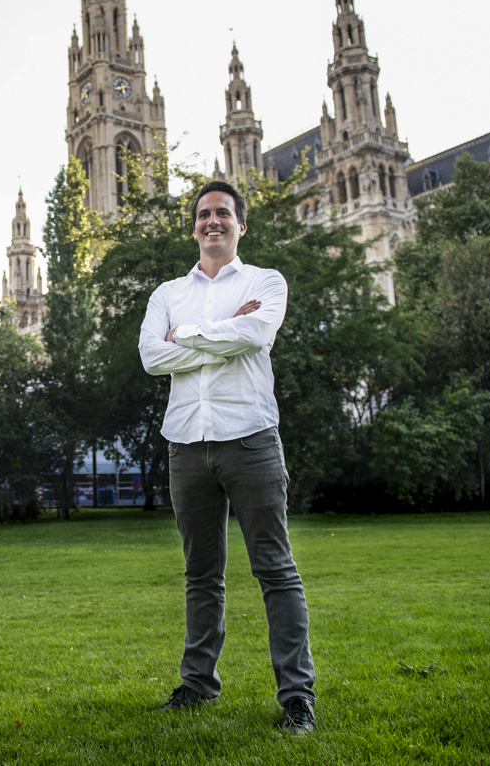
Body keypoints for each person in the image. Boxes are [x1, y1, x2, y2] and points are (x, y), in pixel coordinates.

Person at [137, 180, 316, 733]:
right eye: (203, 215)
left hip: (251, 440)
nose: (212, 222)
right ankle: (197, 685)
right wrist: (223, 330)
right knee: (201, 575)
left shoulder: (267, 282)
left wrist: (185, 336)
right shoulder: (167, 291)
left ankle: (297, 697)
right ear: (194, 226)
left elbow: (255, 334)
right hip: (187, 444)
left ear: (241, 224)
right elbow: (150, 355)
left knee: (276, 570)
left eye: (222, 214)